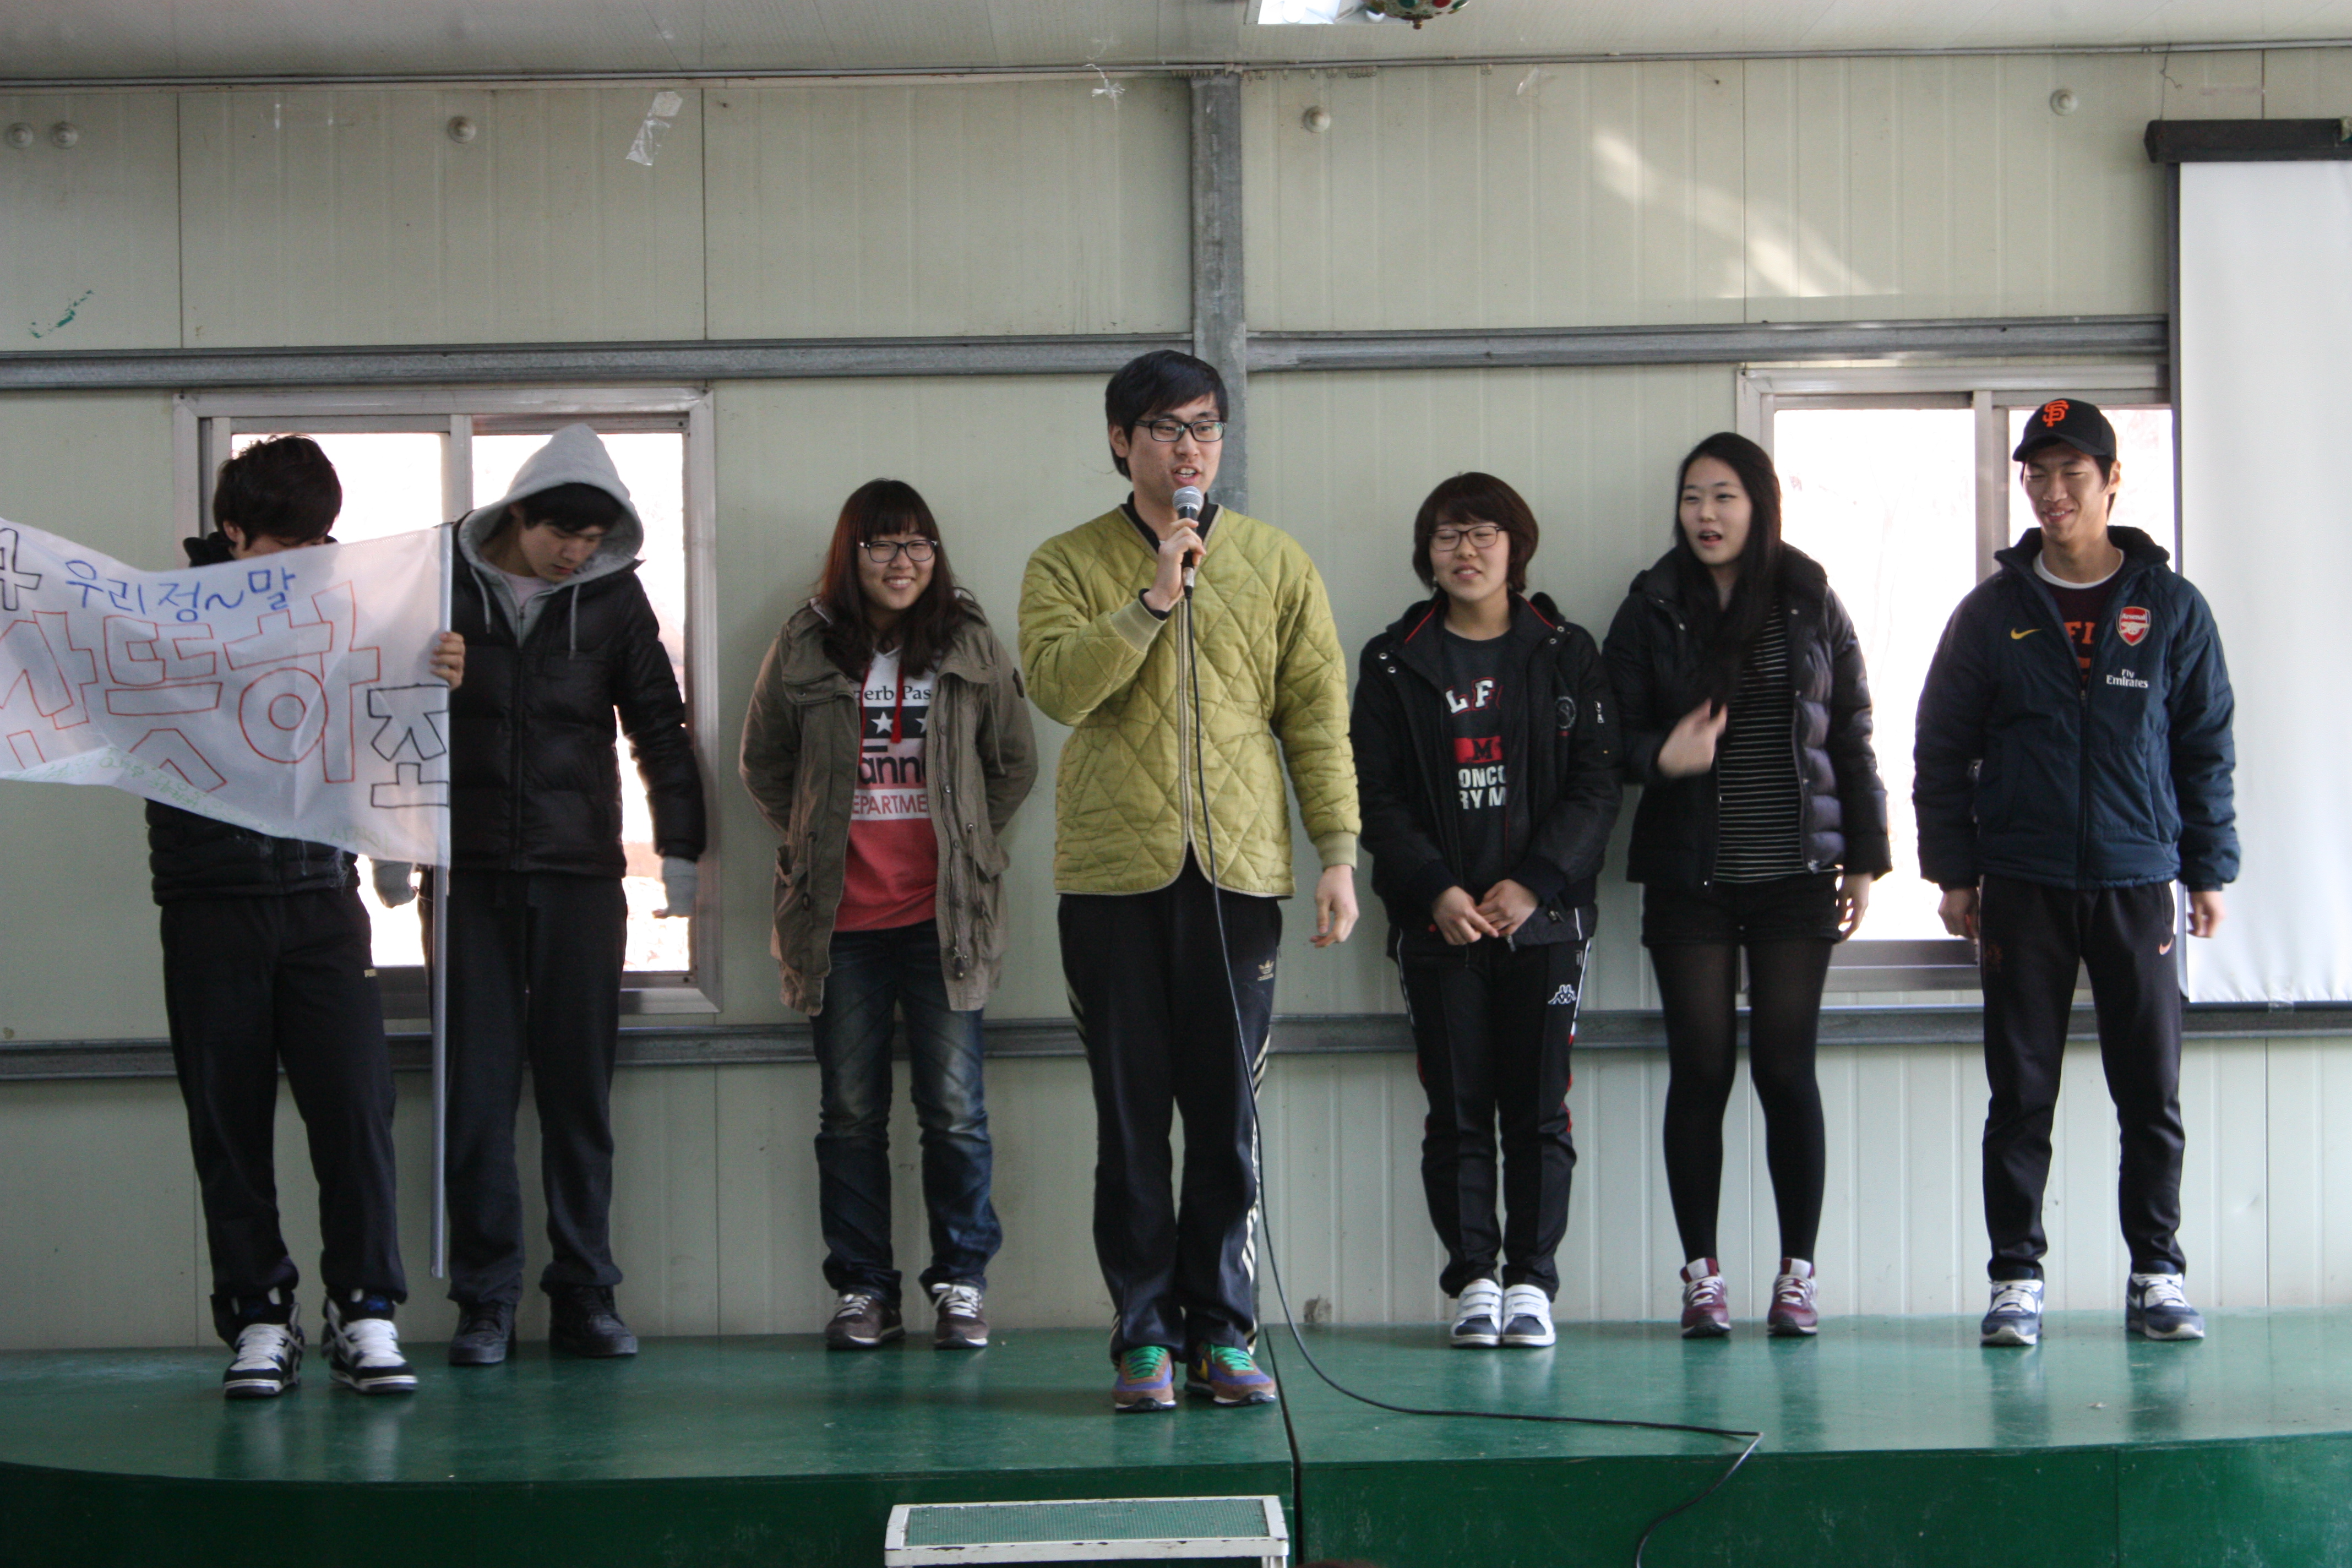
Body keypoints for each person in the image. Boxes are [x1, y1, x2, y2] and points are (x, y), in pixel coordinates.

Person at [1019, 349, 1360, 1413]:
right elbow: (1057, 688)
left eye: (1206, 427)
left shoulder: (1275, 561)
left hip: (1238, 876)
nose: (1189, 448)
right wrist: (1154, 598)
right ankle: (1143, 1338)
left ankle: (1223, 1332)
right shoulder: (1066, 562)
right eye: (1167, 428)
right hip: (1112, 880)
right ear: (1121, 441)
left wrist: (1338, 854)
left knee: (1226, 1118)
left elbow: (1317, 717)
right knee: (1129, 1121)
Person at [1916, 397, 2236, 1348]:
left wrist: (2208, 868)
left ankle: (2157, 1274)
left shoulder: (2170, 607)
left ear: (2111, 481)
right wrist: (1954, 872)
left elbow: (2205, 747)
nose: (2053, 491)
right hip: (2023, 881)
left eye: (2072, 473)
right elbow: (1941, 749)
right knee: (2020, 1096)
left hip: (2139, 878)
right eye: (2038, 475)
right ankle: (2016, 1279)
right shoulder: (1992, 614)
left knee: (2152, 1095)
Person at [150, 434, 464, 1398]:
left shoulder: (348, 610)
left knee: (356, 1110)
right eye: (286, 544)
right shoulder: (158, 620)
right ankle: (258, 1316)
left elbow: (384, 723)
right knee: (229, 1121)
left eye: (319, 543)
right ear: (233, 532)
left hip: (323, 894)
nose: (304, 561)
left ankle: (365, 1309)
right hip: (208, 900)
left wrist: (433, 671)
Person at [410, 423, 706, 1365]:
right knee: (476, 1096)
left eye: (592, 538)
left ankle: (585, 1294)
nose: (575, 553)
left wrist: (683, 846)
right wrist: (385, 833)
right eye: (560, 535)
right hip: (465, 876)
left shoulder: (614, 599)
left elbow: (660, 726)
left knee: (579, 1095)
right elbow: (373, 697)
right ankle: (485, 1301)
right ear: (518, 515)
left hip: (580, 876)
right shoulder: (435, 582)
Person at [1603, 432, 1890, 1340]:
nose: (1706, 514)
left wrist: (1866, 856)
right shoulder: (1652, 605)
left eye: (1724, 496)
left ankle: (1798, 1277)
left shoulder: (1809, 599)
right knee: (1701, 1069)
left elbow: (1851, 731)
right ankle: (1702, 1278)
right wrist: (1663, 755)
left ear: (1761, 505)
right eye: (1693, 497)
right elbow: (1603, 736)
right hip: (1690, 875)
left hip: (1796, 875)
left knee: (1784, 1069)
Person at [739, 480, 1037, 1352]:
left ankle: (961, 1283)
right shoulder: (804, 643)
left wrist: (970, 840)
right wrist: (815, 837)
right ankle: (864, 1289)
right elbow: (764, 763)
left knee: (956, 1113)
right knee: (850, 1115)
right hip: (839, 925)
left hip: (947, 922)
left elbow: (1012, 762)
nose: (903, 563)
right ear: (851, 554)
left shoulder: (968, 639)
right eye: (882, 546)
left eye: (918, 546)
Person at [1351, 472, 1621, 1351]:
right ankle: (1473, 1279)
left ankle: (1532, 1283)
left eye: (1483, 534)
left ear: (1516, 547)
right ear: (1426, 553)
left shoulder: (1566, 651)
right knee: (1458, 1109)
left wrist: (1535, 881)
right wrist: (1438, 887)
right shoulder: (1393, 661)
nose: (1465, 551)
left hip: (1546, 922)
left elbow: (1597, 785)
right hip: (1439, 924)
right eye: (1447, 536)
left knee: (1538, 1111)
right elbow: (1374, 795)